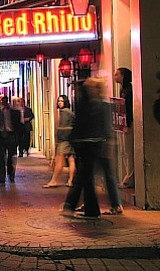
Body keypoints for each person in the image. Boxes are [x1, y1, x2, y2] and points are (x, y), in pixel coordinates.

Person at [60, 78, 111, 220]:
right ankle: (90, 209)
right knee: (86, 177)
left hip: (88, 145)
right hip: (91, 145)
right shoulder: (96, 104)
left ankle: (73, 206)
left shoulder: (89, 104)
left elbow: (81, 124)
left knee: (83, 176)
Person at [43, 95, 76, 188]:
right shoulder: (69, 112)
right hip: (70, 139)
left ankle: (54, 180)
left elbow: (63, 127)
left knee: (59, 159)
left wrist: (59, 138)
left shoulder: (65, 112)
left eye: (61, 101)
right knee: (71, 158)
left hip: (64, 139)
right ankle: (70, 180)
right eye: (58, 101)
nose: (59, 103)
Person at [0, 94, 21, 185]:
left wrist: (17, 137)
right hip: (0, 136)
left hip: (11, 136)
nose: (4, 103)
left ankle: (11, 175)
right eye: (2, 101)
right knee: (0, 158)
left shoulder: (15, 112)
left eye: (5, 101)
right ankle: (1, 178)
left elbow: (18, 125)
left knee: (11, 157)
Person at [115, 67, 134, 188]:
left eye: (117, 74)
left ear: (123, 76)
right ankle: (127, 176)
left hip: (127, 124)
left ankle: (129, 178)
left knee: (128, 150)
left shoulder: (128, 90)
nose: (115, 76)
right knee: (123, 151)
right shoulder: (122, 89)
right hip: (122, 123)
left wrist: (127, 123)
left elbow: (128, 107)